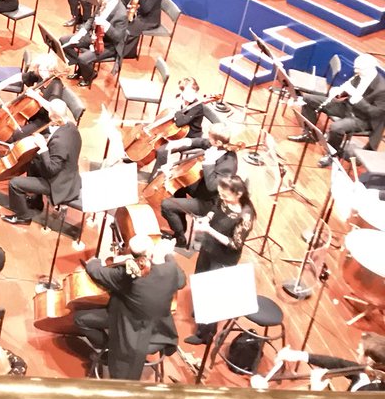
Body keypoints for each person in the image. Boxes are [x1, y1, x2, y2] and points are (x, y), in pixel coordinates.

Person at [73, 235, 185, 380]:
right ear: (150, 252)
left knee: (80, 319)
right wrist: (168, 254)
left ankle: (109, 348)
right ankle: (112, 348)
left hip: (129, 334)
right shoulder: (170, 270)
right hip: (160, 332)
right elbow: (181, 281)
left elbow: (96, 272)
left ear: (131, 252)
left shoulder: (126, 275)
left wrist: (94, 261)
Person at [184, 175, 255, 346]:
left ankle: (205, 335)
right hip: (208, 248)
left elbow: (235, 244)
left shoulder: (245, 216)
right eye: (221, 194)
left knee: (212, 295)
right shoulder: (223, 199)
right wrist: (207, 218)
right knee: (200, 280)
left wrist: (209, 230)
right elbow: (215, 207)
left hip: (223, 258)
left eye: (226, 195)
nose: (222, 197)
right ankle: (201, 312)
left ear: (238, 194)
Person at [156, 124, 241, 246]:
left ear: (218, 142)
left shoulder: (228, 164)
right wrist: (176, 143)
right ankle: (181, 224)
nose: (208, 140)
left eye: (210, 138)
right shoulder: (217, 146)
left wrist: (209, 163)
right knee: (177, 186)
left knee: (166, 205)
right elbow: (200, 142)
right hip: (201, 189)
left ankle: (180, 238)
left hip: (210, 202)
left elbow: (212, 186)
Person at [3, 99, 81, 225]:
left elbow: (51, 170)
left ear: (53, 116)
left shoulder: (60, 141)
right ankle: (36, 202)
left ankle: (23, 217)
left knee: (14, 184)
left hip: (58, 184)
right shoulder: (72, 127)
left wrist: (44, 148)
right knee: (33, 161)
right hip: (66, 174)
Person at [296, 54, 385, 163]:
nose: (355, 71)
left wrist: (358, 100)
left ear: (370, 68)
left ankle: (332, 154)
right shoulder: (360, 74)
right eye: (355, 68)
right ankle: (309, 135)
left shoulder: (382, 88)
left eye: (358, 69)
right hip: (347, 107)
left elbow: (375, 113)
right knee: (308, 99)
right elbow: (350, 89)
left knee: (336, 128)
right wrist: (339, 92)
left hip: (363, 118)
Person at [61, 0, 127, 87]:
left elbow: (118, 38)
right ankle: (82, 68)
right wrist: (80, 33)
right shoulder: (103, 2)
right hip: (94, 35)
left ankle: (89, 76)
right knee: (64, 41)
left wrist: (107, 26)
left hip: (107, 44)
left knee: (83, 59)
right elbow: (92, 19)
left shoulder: (121, 14)